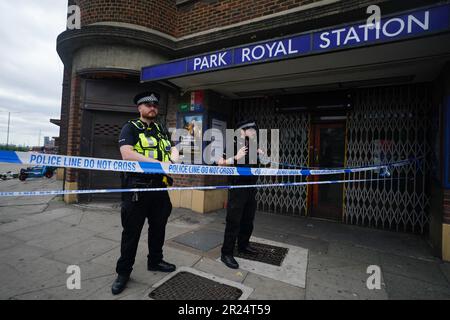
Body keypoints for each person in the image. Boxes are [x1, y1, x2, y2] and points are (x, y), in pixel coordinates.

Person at [111, 91, 179, 295]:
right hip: (137, 188)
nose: (152, 108)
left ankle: (155, 261)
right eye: (148, 104)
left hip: (160, 188)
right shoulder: (130, 127)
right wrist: (160, 164)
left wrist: (172, 161)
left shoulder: (161, 129)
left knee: (158, 228)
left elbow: (174, 148)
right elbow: (127, 154)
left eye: (155, 105)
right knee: (131, 233)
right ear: (139, 108)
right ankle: (123, 273)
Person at [217, 119, 263, 269]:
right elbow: (219, 162)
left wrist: (262, 156)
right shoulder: (233, 144)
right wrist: (235, 158)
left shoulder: (253, 146)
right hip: (238, 189)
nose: (255, 131)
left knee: (248, 220)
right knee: (233, 221)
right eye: (252, 129)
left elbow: (262, 163)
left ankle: (243, 245)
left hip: (251, 188)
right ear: (243, 130)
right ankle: (226, 253)